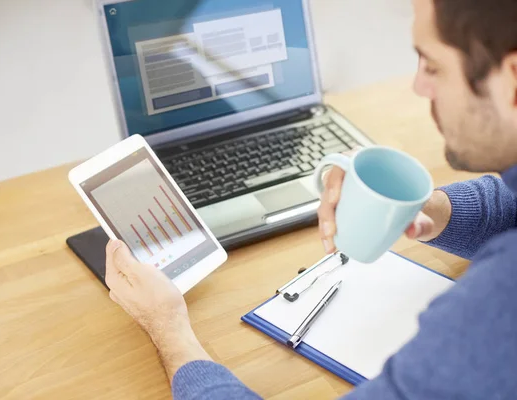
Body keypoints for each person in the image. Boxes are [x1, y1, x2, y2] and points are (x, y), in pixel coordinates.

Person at [104, 0, 517, 398]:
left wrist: (168, 329)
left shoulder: (499, 303)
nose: (418, 85)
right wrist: (423, 207)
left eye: (433, 65)